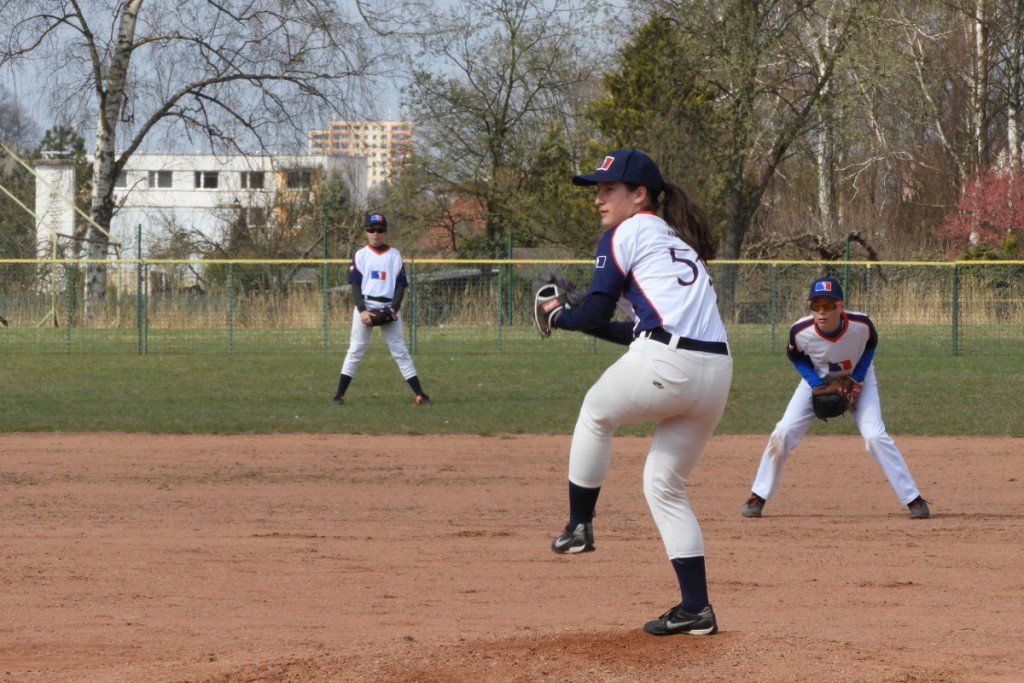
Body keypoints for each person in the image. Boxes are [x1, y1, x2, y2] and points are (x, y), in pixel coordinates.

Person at [545, 149, 732, 637]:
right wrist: (572, 315)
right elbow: (631, 330)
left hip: (669, 363)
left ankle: (579, 526)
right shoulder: (676, 241)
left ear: (639, 194)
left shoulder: (623, 233)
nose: (599, 198)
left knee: (594, 413)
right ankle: (696, 609)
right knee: (664, 485)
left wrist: (560, 315)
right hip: (716, 371)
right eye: (598, 190)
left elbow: (594, 313)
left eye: (609, 189)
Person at [740, 276, 930, 520]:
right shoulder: (801, 331)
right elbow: (795, 356)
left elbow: (871, 342)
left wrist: (856, 380)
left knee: (874, 436)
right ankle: (758, 496)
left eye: (828, 305)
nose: (821, 311)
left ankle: (913, 498)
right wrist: (816, 384)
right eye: (815, 305)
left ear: (840, 306)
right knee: (783, 431)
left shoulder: (860, 324)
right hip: (818, 379)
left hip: (859, 379)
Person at [332, 212, 431, 406]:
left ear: (385, 232)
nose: (375, 233)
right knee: (356, 349)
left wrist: (394, 308)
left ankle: (420, 394)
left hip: (388, 306)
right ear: (366, 231)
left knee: (399, 350)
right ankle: (339, 395)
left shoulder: (394, 255)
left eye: (379, 230)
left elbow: (401, 284)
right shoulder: (361, 255)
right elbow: (355, 285)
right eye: (371, 230)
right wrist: (362, 310)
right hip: (366, 305)